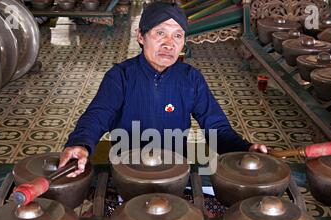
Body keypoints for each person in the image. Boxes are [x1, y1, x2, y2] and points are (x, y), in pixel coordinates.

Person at [59, 2, 267, 177]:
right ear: (141, 36)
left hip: (175, 170)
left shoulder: (190, 78)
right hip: (128, 172)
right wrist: (81, 143)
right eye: (160, 33)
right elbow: (97, 116)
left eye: (177, 36)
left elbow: (217, 128)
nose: (169, 44)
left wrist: (245, 148)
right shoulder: (121, 76)